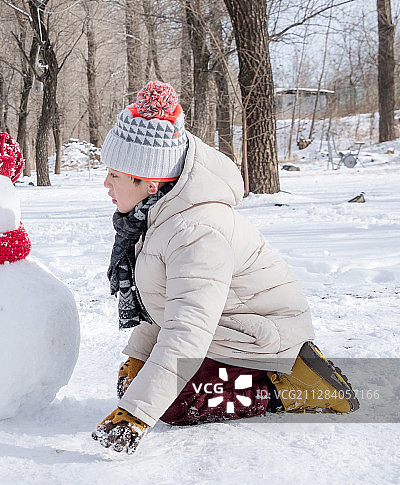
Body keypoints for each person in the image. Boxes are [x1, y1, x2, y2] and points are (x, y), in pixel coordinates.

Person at [91, 81, 359, 454]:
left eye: (114, 175)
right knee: (139, 382)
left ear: (149, 183)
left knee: (174, 403)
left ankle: (296, 384)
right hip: (232, 327)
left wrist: (136, 414)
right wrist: (138, 356)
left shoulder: (196, 231)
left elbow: (187, 328)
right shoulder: (157, 215)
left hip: (263, 337)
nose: (106, 185)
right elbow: (165, 303)